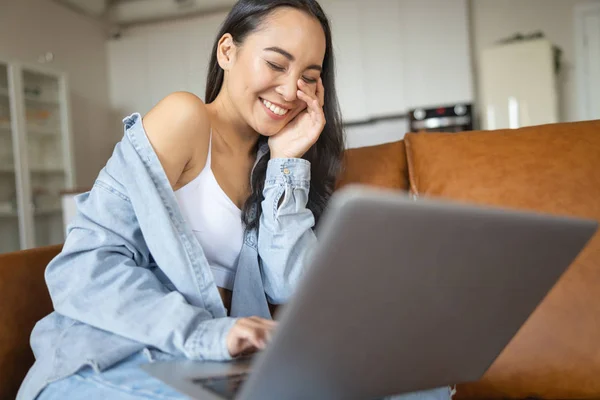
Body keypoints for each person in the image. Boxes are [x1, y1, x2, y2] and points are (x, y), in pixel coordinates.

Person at [18, 1, 451, 399]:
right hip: (113, 358)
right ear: (227, 51)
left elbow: (290, 285)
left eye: (309, 78)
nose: (289, 90)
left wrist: (286, 164)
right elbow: (83, 270)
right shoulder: (183, 117)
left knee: (418, 389)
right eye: (276, 64)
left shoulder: (273, 159)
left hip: (205, 365)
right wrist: (208, 336)